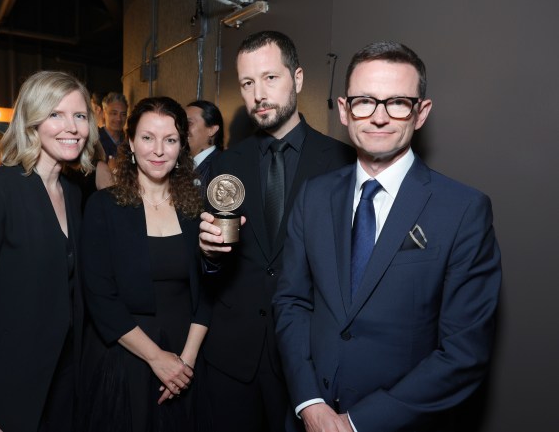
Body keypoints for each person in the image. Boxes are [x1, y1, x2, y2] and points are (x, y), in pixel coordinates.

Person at [272, 41, 502, 432]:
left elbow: (464, 352)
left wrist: (357, 423)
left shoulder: (464, 210)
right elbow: (292, 301)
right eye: (365, 101)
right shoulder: (313, 195)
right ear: (344, 110)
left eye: (397, 102)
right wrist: (309, 402)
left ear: (421, 112)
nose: (379, 117)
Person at [198, 31, 356, 432]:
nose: (258, 94)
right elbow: (212, 266)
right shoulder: (224, 165)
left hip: (307, 360)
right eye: (248, 83)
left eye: (270, 78)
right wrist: (211, 257)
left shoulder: (342, 163)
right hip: (232, 360)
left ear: (298, 79)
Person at [0, 70, 98, 432]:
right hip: (1, 388)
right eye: (55, 115)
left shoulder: (72, 193)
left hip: (61, 385)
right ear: (31, 121)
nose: (71, 127)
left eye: (80, 116)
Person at [81, 96, 208, 432]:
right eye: (148, 138)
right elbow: (99, 297)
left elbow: (211, 290)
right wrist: (156, 358)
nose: (158, 150)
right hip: (125, 357)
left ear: (181, 147)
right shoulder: (103, 207)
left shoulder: (196, 209)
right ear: (132, 143)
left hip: (185, 356)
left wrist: (185, 364)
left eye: (170, 140)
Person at [185, 100, 223, 190]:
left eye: (189, 123)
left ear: (212, 130)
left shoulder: (221, 167)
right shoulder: (180, 164)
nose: (181, 129)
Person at [99, 92, 128, 160]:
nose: (119, 118)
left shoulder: (128, 141)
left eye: (123, 114)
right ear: (104, 114)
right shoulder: (95, 141)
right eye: (114, 113)